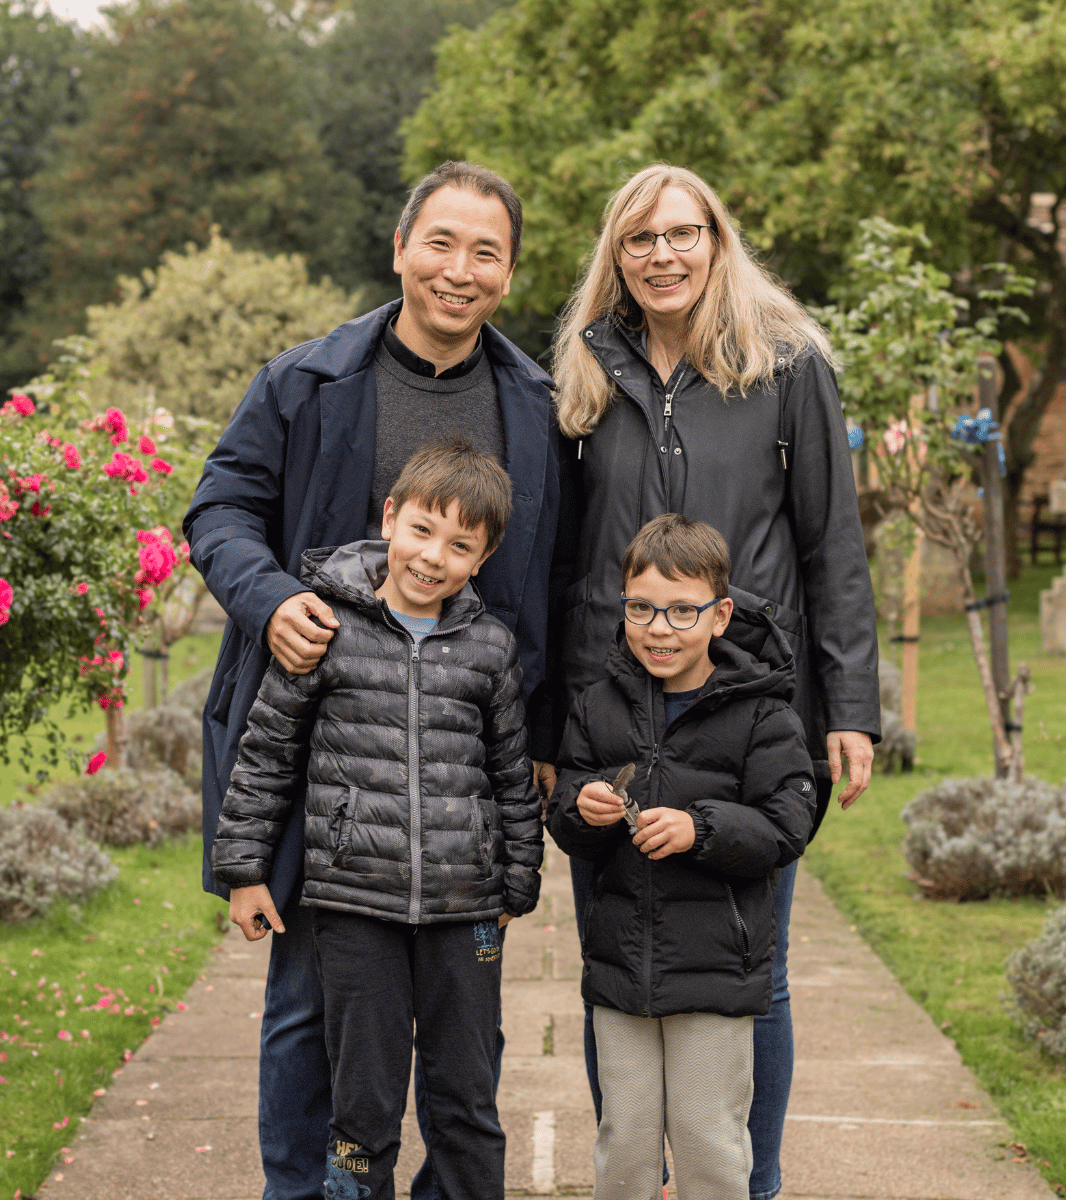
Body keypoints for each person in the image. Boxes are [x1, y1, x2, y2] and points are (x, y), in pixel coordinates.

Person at [184, 161, 563, 1200]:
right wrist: (269, 599)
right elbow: (218, 512)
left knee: (460, 1036)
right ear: (400, 249)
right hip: (317, 746)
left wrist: (538, 736)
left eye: (486, 253)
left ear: (510, 274)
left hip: (455, 765)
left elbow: (554, 581)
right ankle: (302, 1191)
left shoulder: (535, 404)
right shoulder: (304, 381)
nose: (459, 270)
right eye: (441, 243)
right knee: (311, 1008)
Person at [549, 164, 880, 1200]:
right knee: (621, 963)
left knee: (753, 975)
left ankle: (751, 1182)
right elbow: (560, 562)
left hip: (752, 714)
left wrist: (853, 708)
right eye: (640, 239)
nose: (663, 256)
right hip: (612, 708)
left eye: (682, 234)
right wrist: (546, 731)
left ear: (717, 240)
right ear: (618, 252)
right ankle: (633, 1178)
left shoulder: (788, 368)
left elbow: (832, 545)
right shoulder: (582, 372)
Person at [211, 439, 544, 1200]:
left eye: (460, 545)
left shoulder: (490, 649)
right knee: (362, 1106)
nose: (433, 557)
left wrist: (516, 880)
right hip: (354, 907)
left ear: (483, 555)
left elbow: (510, 774)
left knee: (467, 1101)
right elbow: (266, 753)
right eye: (423, 530)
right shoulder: (324, 627)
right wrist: (244, 873)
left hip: (467, 911)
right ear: (390, 518)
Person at [546, 513, 815, 1200]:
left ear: (720, 615)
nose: (658, 628)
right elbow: (566, 814)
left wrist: (702, 829)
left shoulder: (763, 713)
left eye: (681, 611)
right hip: (620, 970)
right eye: (641, 609)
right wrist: (584, 808)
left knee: (710, 1144)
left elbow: (787, 826)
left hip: (716, 974)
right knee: (625, 1145)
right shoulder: (597, 704)